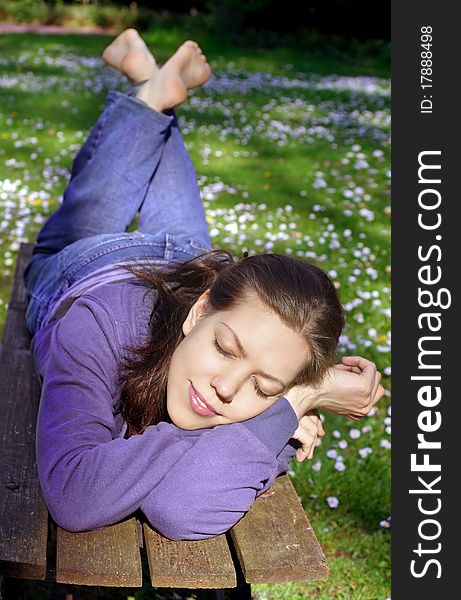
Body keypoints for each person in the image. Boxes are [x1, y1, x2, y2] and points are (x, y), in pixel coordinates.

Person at [23, 30, 384, 541]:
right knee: (62, 233)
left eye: (264, 387)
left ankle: (154, 90)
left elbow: (183, 507)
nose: (227, 389)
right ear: (198, 313)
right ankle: (150, 92)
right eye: (224, 348)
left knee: (151, 167)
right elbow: (75, 494)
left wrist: (296, 401)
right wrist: (269, 422)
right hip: (93, 268)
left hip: (192, 262)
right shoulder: (96, 329)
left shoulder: (246, 359)